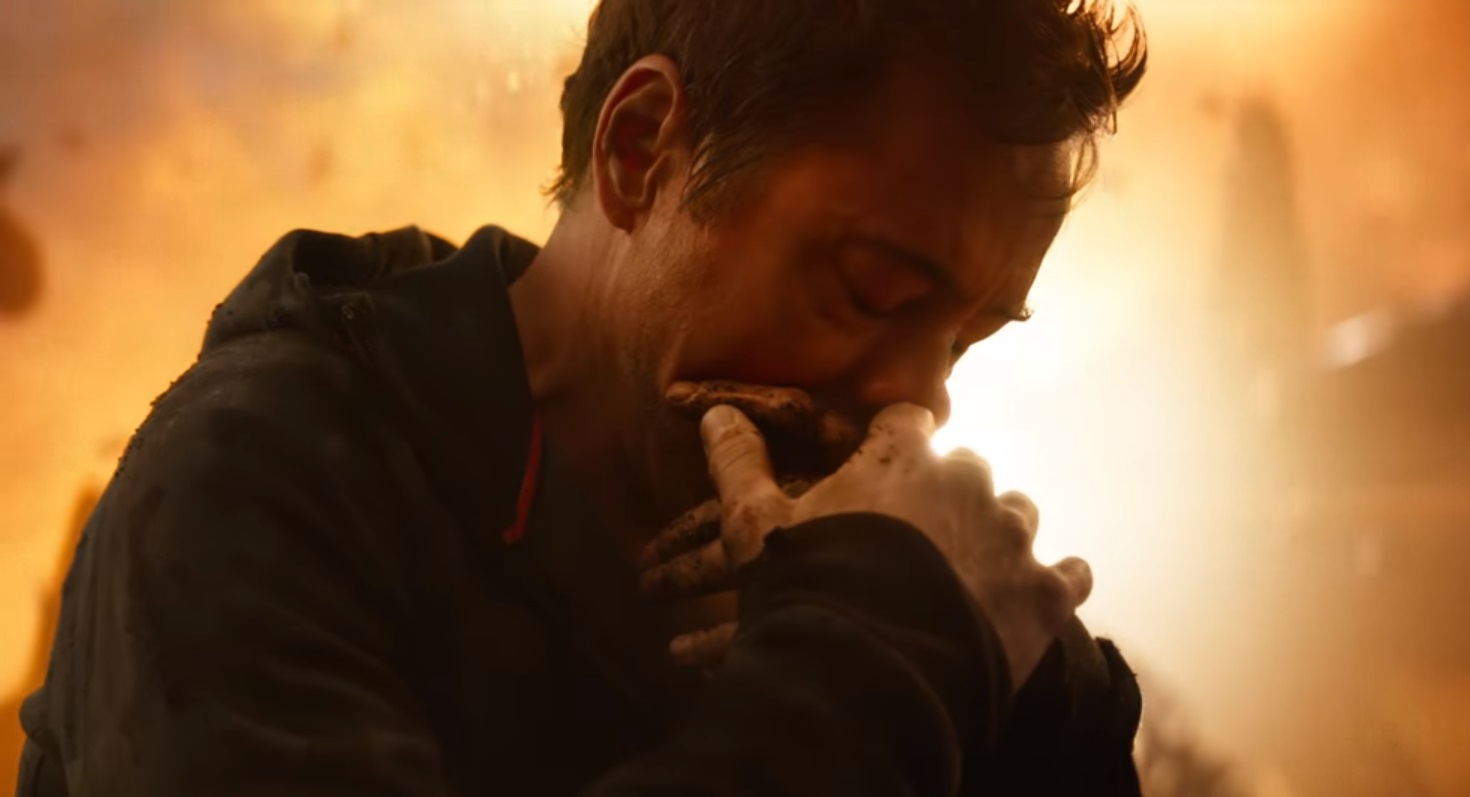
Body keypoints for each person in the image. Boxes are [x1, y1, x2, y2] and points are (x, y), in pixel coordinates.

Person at [14, 1, 1149, 795]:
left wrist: (1029, 699)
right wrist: (877, 673)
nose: (919, 400)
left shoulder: (879, 567)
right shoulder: (252, 487)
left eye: (967, 338)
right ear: (640, 151)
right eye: (870, 290)